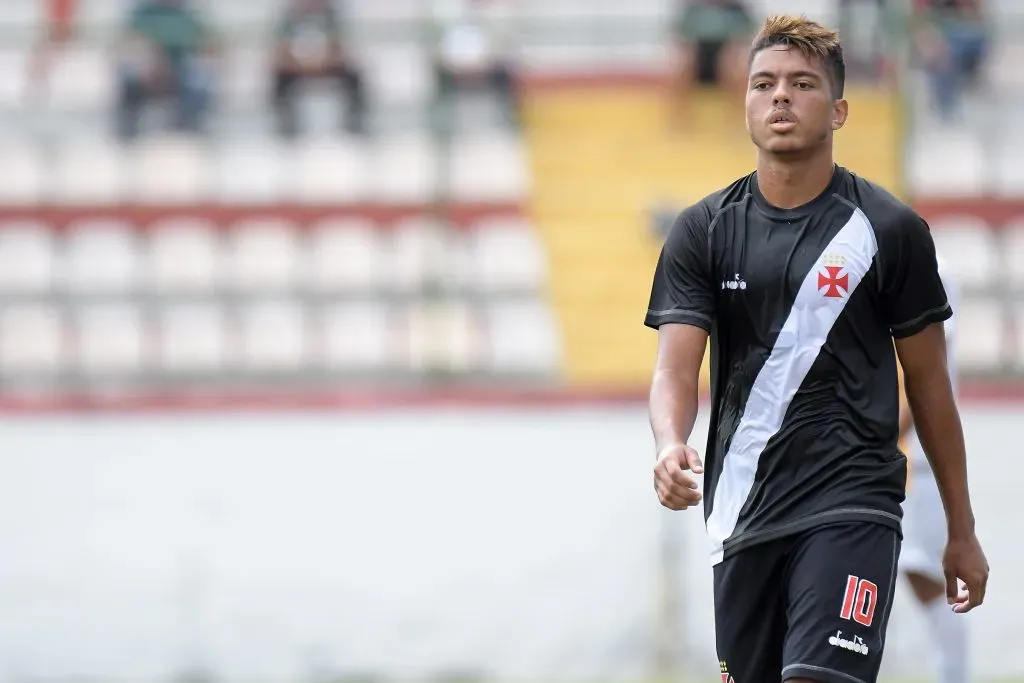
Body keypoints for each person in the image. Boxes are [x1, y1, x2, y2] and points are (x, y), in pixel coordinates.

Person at [644, 14, 988, 683]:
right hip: (742, 510)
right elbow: (675, 367)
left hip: (853, 503)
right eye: (764, 83)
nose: (779, 97)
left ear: (837, 110)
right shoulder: (702, 232)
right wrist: (667, 442)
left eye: (801, 84)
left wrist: (961, 526)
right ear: (744, 100)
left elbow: (930, 387)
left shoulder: (890, 230)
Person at [898, 255, 970, 683]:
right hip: (899, 467)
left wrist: (877, 441)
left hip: (916, 470)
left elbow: (922, 376)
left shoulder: (928, 272)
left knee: (938, 588)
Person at [115, 0, 219, 141]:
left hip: (180, 70)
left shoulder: (187, 15)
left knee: (199, 84)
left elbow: (207, 45)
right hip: (147, 68)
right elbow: (130, 43)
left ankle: (188, 132)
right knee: (129, 80)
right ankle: (127, 134)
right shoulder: (143, 14)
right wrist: (149, 65)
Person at [271, 0, 366, 138]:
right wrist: (301, 65)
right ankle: (287, 126)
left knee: (354, 76)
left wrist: (323, 63)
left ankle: (355, 122)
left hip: (327, 65)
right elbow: (281, 50)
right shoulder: (290, 16)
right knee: (279, 78)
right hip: (296, 67)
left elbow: (340, 47)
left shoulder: (331, 15)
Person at [668, 0, 754, 128]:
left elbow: (748, 36)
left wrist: (734, 49)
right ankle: (680, 120)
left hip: (728, 56)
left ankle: (737, 121)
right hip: (699, 56)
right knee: (682, 67)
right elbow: (681, 37)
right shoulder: (693, 9)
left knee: (734, 66)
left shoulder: (737, 9)